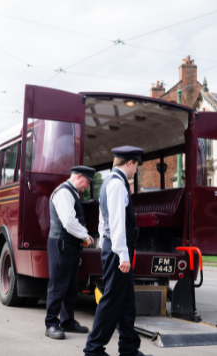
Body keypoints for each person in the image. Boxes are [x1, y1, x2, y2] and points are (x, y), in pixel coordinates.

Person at [84, 146, 151, 356]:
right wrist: (122, 254)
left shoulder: (110, 183)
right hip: (117, 250)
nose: (136, 170)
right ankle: (93, 349)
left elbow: (103, 221)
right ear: (130, 163)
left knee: (126, 301)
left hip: (113, 248)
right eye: (136, 165)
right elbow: (116, 223)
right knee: (112, 299)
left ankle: (129, 349)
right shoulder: (118, 185)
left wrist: (109, 245)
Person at [45, 166, 97, 340]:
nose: (87, 186)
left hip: (68, 246)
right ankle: (51, 324)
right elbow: (68, 221)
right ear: (79, 176)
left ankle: (67, 321)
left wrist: (82, 237)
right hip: (61, 245)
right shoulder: (64, 193)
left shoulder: (71, 192)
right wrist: (84, 236)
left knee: (70, 287)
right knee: (58, 286)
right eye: (87, 182)